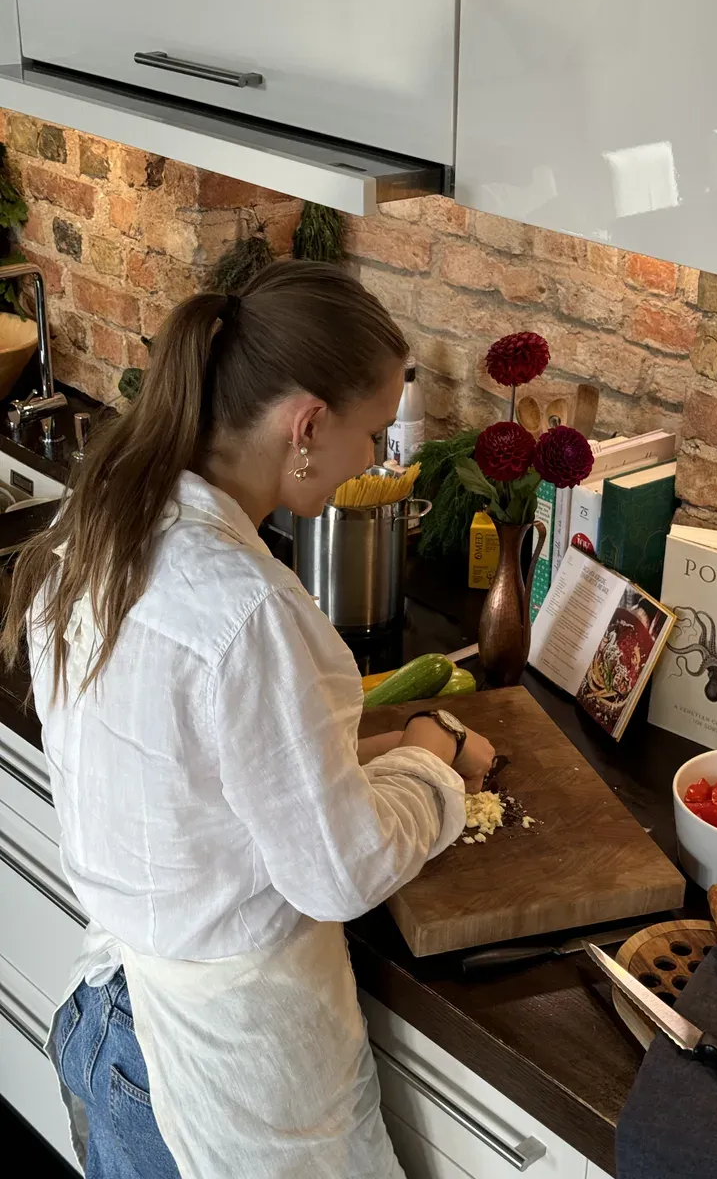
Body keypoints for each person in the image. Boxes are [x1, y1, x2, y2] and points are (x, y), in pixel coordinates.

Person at [3, 260, 495, 1178]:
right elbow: (340, 873)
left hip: (106, 1021)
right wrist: (433, 760)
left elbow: (199, 763)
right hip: (209, 1075)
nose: (377, 462)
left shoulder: (105, 518)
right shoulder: (244, 608)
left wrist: (362, 750)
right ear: (306, 425)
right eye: (373, 433)